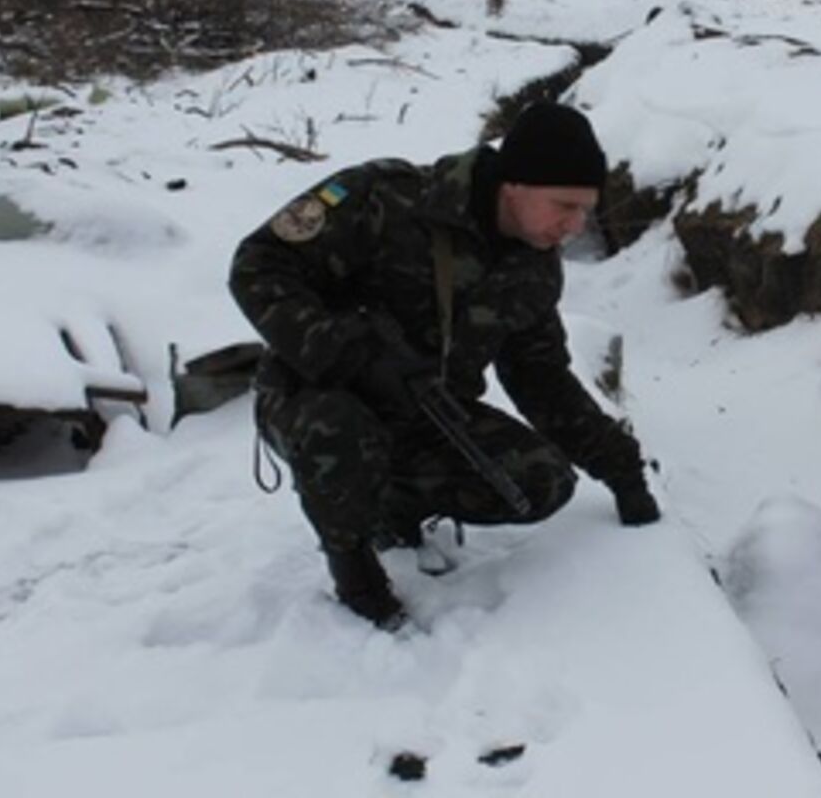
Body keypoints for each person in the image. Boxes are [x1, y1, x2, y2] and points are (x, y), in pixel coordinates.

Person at [228, 102, 662, 629]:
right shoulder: (385, 199)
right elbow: (258, 265)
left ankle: (389, 504)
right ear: (514, 185)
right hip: (314, 395)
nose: (573, 227)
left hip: (423, 412)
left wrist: (621, 467)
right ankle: (354, 565)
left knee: (541, 484)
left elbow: (542, 379)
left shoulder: (533, 269)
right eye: (563, 206)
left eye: (585, 212)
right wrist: (349, 352)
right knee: (339, 429)